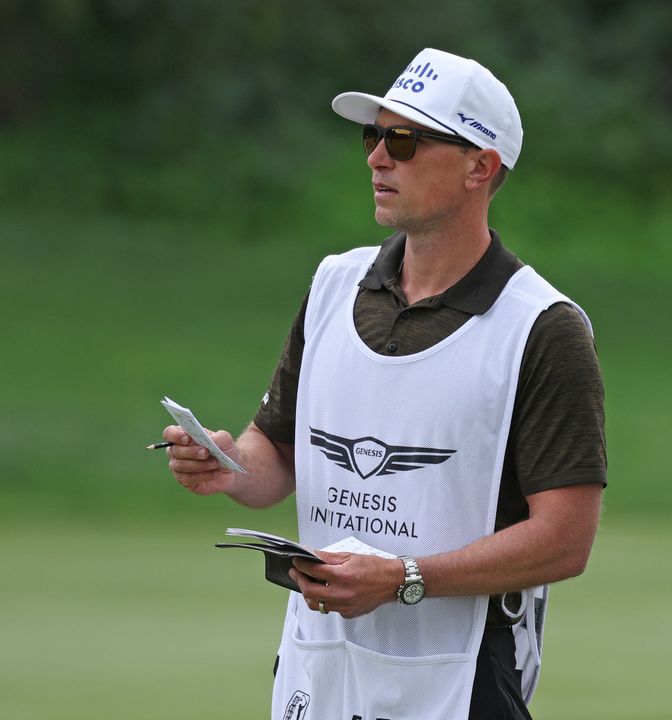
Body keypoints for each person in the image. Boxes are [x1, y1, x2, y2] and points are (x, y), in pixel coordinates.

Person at [161, 48, 606, 720]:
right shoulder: (334, 283)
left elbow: (566, 540)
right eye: (375, 135)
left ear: (479, 166)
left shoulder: (543, 327)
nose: (376, 157)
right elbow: (275, 457)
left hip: (461, 681)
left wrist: (405, 579)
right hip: (317, 666)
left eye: (404, 140)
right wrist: (228, 465)